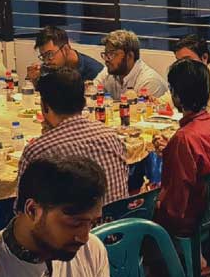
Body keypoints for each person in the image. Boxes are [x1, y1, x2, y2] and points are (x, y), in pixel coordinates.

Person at [16, 69, 129, 210]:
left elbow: (23, 211)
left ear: (45, 106)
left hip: (76, 230)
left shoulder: (39, 151)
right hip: (120, 227)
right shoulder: (111, 136)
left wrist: (48, 136)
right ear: (83, 102)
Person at [154, 58, 210, 238]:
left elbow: (174, 208)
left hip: (190, 224)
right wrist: (171, 151)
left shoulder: (184, 139)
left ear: (176, 95)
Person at [95, 29, 168, 102]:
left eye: (111, 54)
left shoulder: (149, 81)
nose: (107, 59)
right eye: (106, 54)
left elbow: (145, 112)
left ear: (129, 56)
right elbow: (90, 94)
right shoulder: (108, 72)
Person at [26, 25, 103, 84]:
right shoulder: (49, 67)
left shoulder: (95, 71)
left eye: (50, 54)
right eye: (43, 56)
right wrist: (34, 79)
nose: (46, 61)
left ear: (66, 49)